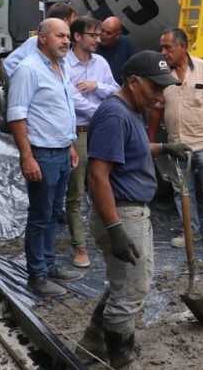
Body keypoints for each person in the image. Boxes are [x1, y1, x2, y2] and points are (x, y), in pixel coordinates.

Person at [77, 50, 189, 368]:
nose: (158, 98)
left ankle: (89, 346)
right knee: (130, 294)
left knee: (126, 285)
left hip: (132, 212)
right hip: (122, 213)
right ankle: (121, 360)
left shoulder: (129, 111)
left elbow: (133, 146)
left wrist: (165, 147)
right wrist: (115, 229)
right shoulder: (115, 115)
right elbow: (97, 176)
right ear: (133, 82)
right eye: (154, 89)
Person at [7, 18, 84, 297]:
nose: (66, 41)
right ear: (42, 38)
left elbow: (63, 110)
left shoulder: (61, 67)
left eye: (67, 36)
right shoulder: (28, 70)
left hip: (62, 152)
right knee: (40, 216)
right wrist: (27, 157)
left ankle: (50, 266)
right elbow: (17, 115)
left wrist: (71, 145)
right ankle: (36, 275)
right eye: (59, 36)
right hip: (42, 155)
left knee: (53, 213)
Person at [147, 28, 203, 252]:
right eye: (162, 48)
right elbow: (157, 110)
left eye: (168, 47)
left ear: (182, 47)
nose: (163, 52)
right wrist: (150, 142)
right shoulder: (162, 74)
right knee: (182, 191)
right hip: (178, 146)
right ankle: (190, 231)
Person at [64, 16, 120, 268]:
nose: (99, 40)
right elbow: (71, 100)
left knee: (106, 187)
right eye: (93, 35)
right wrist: (101, 113)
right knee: (76, 193)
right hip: (80, 133)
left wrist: (96, 84)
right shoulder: (64, 64)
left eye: (100, 36)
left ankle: (109, 236)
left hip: (102, 133)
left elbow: (116, 90)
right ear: (77, 37)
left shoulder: (101, 64)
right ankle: (80, 246)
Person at [1, 3, 78, 78]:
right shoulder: (35, 41)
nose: (76, 20)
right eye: (74, 17)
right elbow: (9, 64)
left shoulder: (67, 44)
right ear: (65, 20)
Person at [97, 16, 139, 84]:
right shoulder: (94, 45)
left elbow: (139, 64)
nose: (103, 35)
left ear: (118, 35)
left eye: (108, 33)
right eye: (102, 30)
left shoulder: (124, 42)